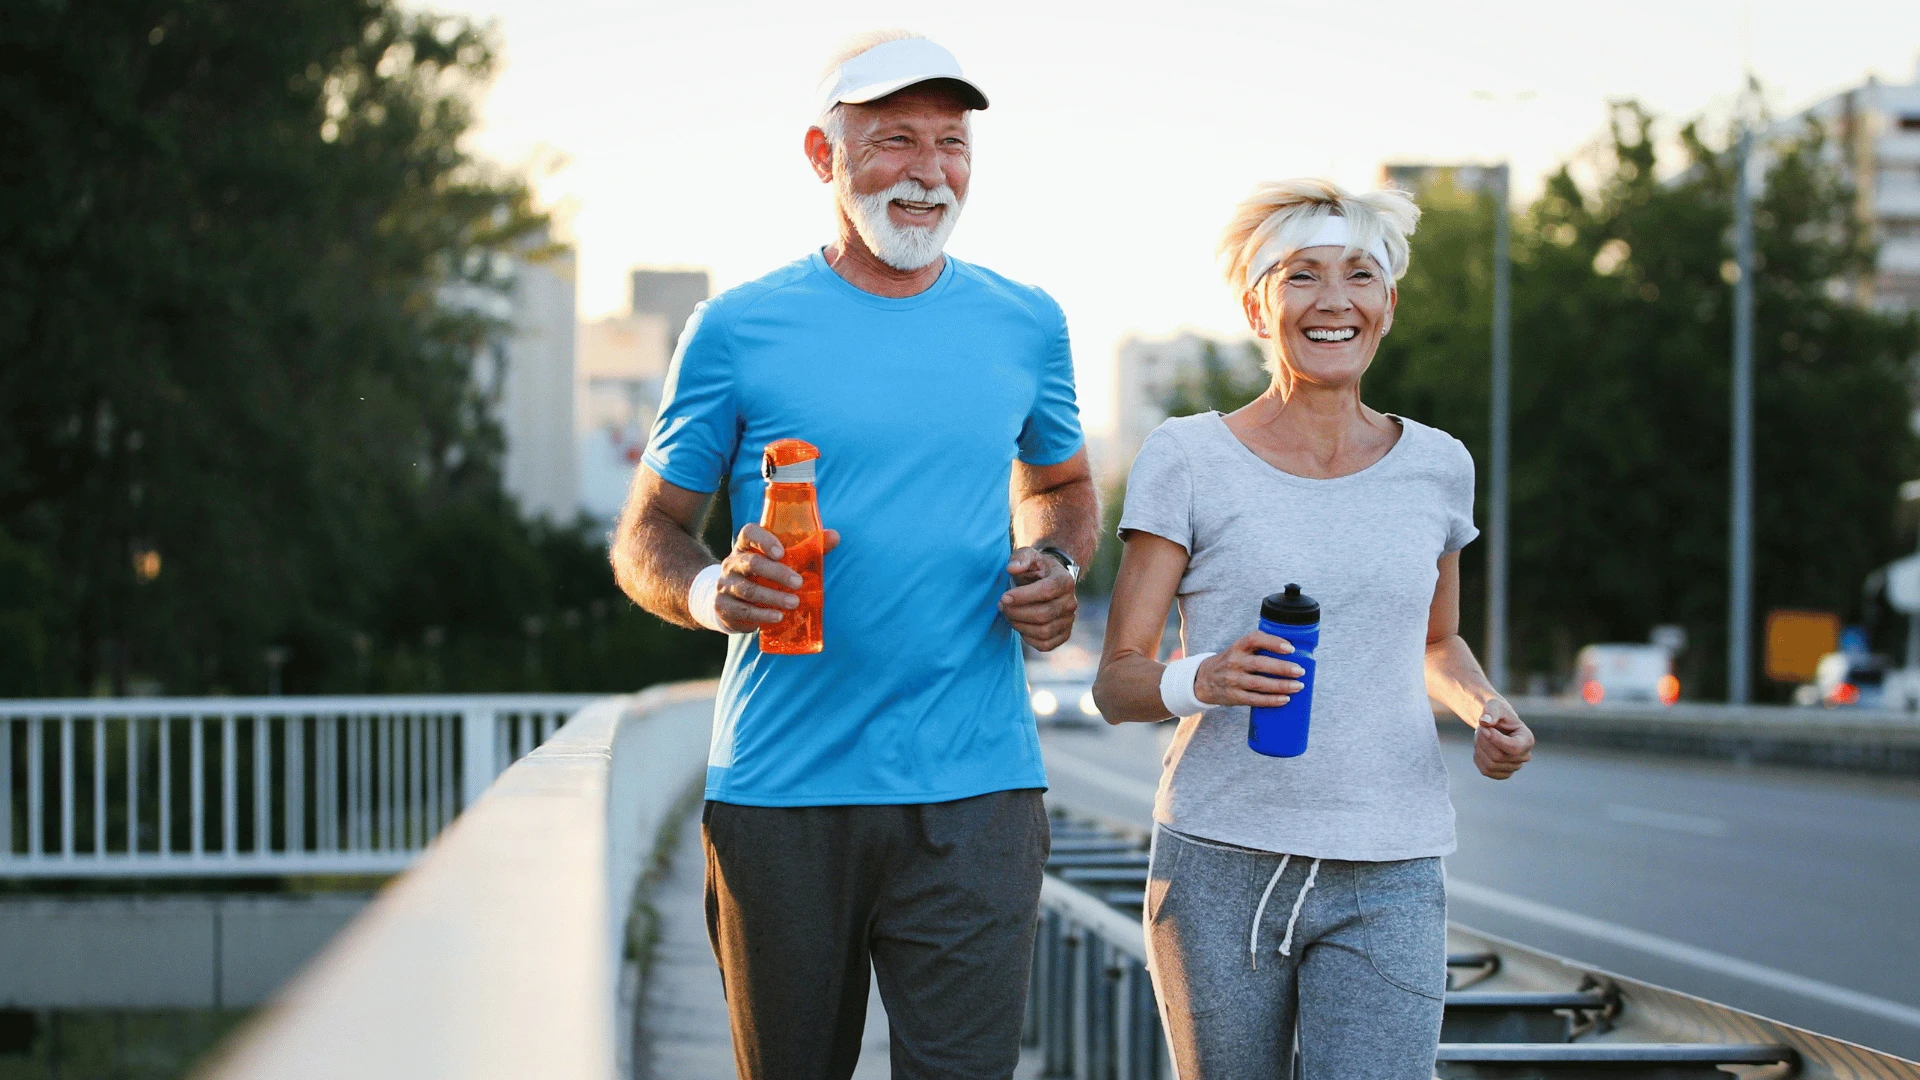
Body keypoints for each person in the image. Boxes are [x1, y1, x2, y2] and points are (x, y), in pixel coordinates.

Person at [609, 30, 1099, 1080]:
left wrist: (1056, 566)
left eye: (952, 143)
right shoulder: (737, 327)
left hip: (977, 790)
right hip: (783, 788)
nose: (929, 171)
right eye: (894, 141)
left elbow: (1061, 490)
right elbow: (647, 531)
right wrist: (712, 590)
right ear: (821, 156)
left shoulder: (1026, 322)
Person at [1090, 178, 1536, 1079]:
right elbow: (1117, 682)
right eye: (1301, 276)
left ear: (1388, 305)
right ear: (1258, 307)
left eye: (1359, 276)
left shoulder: (1440, 466)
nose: (1334, 301)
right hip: (1221, 859)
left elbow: (1435, 643)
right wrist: (1203, 678)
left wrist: (1485, 709)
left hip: (1391, 859)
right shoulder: (1188, 456)